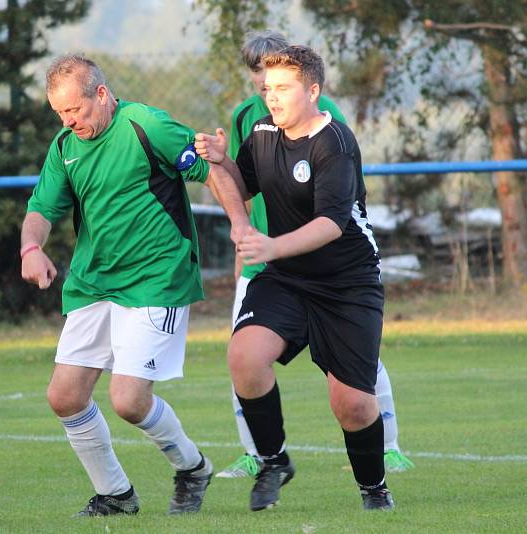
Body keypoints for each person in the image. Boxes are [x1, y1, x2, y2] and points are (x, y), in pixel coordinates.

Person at [20, 54, 249, 517]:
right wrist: (31, 248)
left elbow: (213, 170)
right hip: (93, 283)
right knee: (64, 396)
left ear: (101, 95)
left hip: (156, 278)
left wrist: (240, 226)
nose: (69, 122)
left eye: (76, 111)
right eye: (60, 114)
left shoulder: (146, 124)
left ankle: (192, 467)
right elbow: (41, 211)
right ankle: (117, 496)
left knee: (128, 400)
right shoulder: (66, 146)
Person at [196, 45, 395, 511]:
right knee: (244, 356)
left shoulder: (335, 142)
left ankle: (374, 489)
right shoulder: (263, 133)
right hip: (287, 278)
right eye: (267, 88)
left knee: (352, 405)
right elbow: (241, 187)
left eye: (283, 88)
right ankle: (274, 460)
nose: (272, 98)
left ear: (313, 91)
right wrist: (223, 161)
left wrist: (270, 247)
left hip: (347, 284)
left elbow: (332, 224)